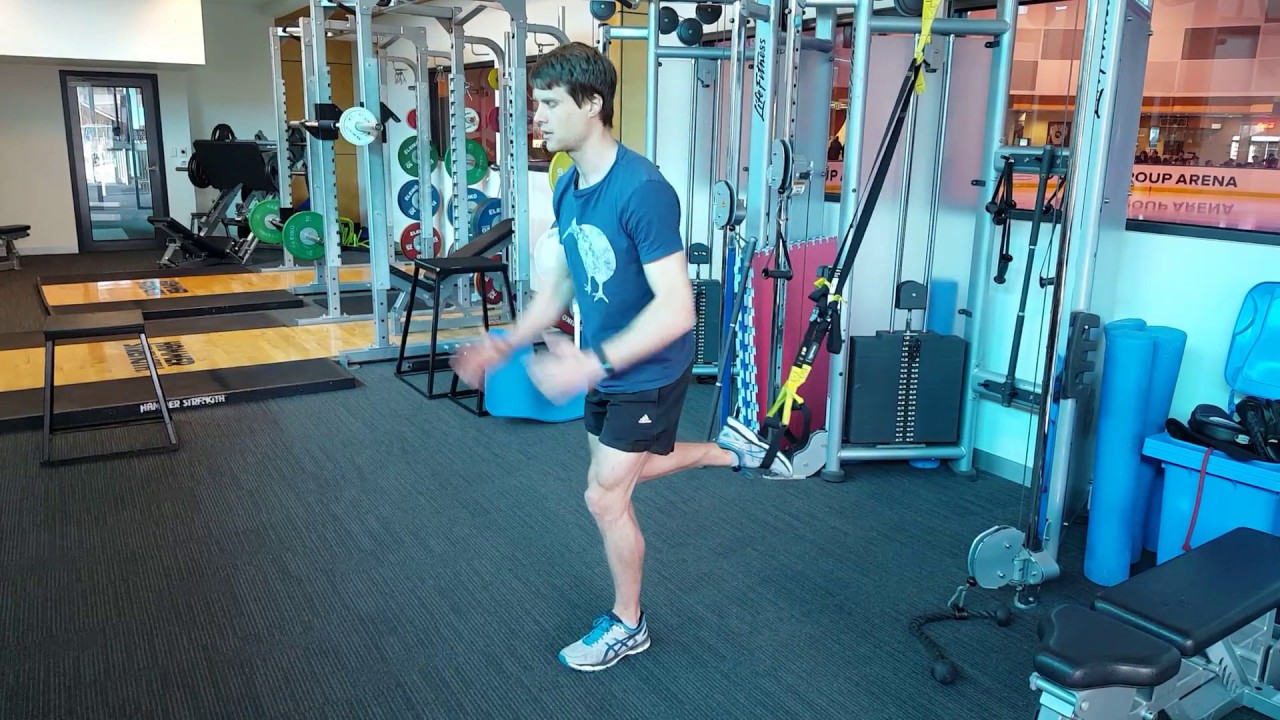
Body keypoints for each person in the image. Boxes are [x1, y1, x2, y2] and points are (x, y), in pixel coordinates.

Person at [451, 42, 793, 672]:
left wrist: (589, 364)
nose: (537, 117)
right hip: (604, 362)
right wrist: (506, 342)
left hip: (648, 366)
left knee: (604, 496)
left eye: (550, 103)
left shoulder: (644, 190)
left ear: (592, 104)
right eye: (536, 104)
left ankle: (628, 623)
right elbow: (559, 285)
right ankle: (732, 451)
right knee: (620, 474)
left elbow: (678, 309)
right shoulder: (569, 187)